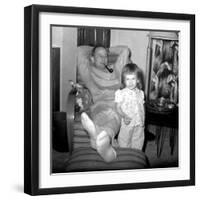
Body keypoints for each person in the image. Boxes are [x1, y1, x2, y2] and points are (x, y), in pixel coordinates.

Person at [77, 45, 130, 162]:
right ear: (92, 59)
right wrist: (96, 49)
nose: (104, 58)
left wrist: (108, 49)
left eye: (105, 56)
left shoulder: (115, 70)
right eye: (99, 56)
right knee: (101, 116)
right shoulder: (89, 72)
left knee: (113, 116)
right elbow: (80, 50)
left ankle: (98, 138)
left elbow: (125, 51)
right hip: (99, 104)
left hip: (116, 103)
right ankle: (104, 141)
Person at [115, 63, 145, 150]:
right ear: (123, 80)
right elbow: (118, 107)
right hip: (127, 122)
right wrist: (124, 116)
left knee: (138, 140)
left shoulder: (141, 93)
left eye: (133, 79)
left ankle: (136, 155)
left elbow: (142, 107)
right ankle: (125, 156)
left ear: (138, 80)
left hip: (139, 122)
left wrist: (143, 119)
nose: (131, 82)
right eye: (127, 79)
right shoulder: (121, 93)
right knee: (124, 141)